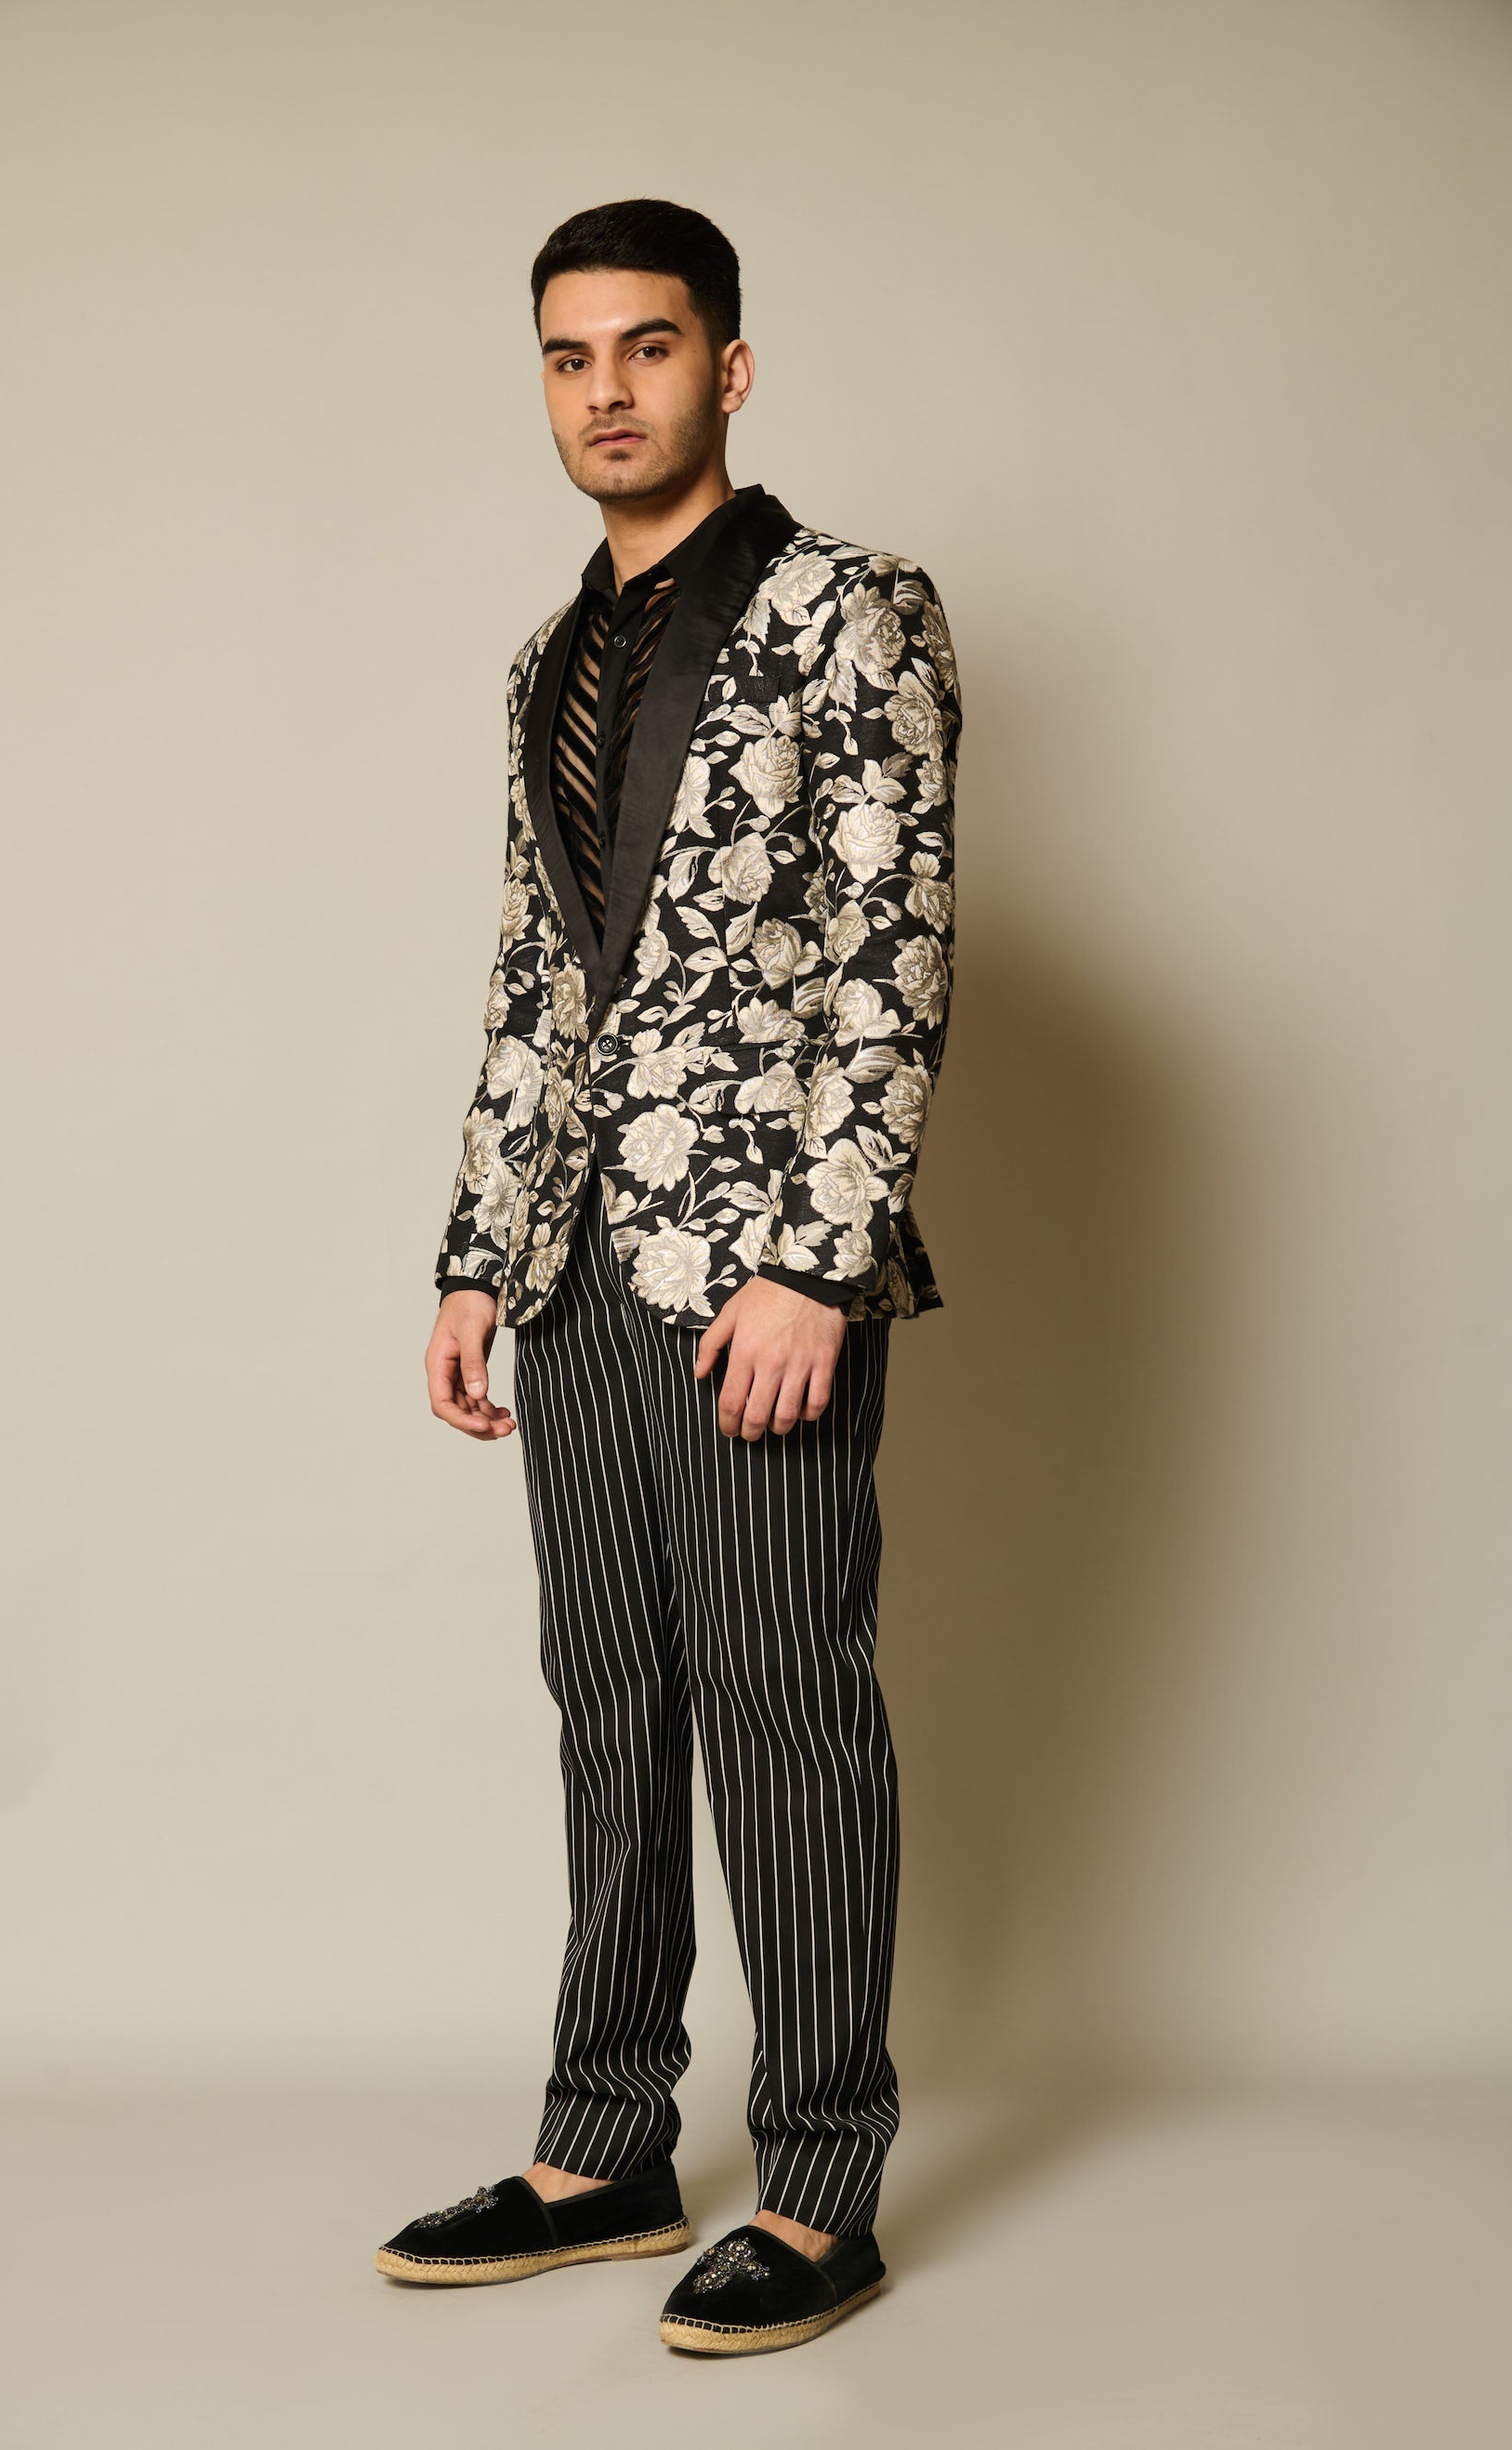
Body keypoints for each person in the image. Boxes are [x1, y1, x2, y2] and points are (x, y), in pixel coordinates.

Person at [375, 197, 959, 2356]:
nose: (604, 390)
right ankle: (607, 2140)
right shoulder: (547, 662)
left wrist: (819, 1259)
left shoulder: (851, 610)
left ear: (730, 366)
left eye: (645, 346)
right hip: (573, 1271)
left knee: (787, 1699)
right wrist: (476, 1253)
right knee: (610, 1693)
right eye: (567, 355)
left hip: (759, 1274)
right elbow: (542, 982)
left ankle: (819, 2182)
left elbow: (896, 947)